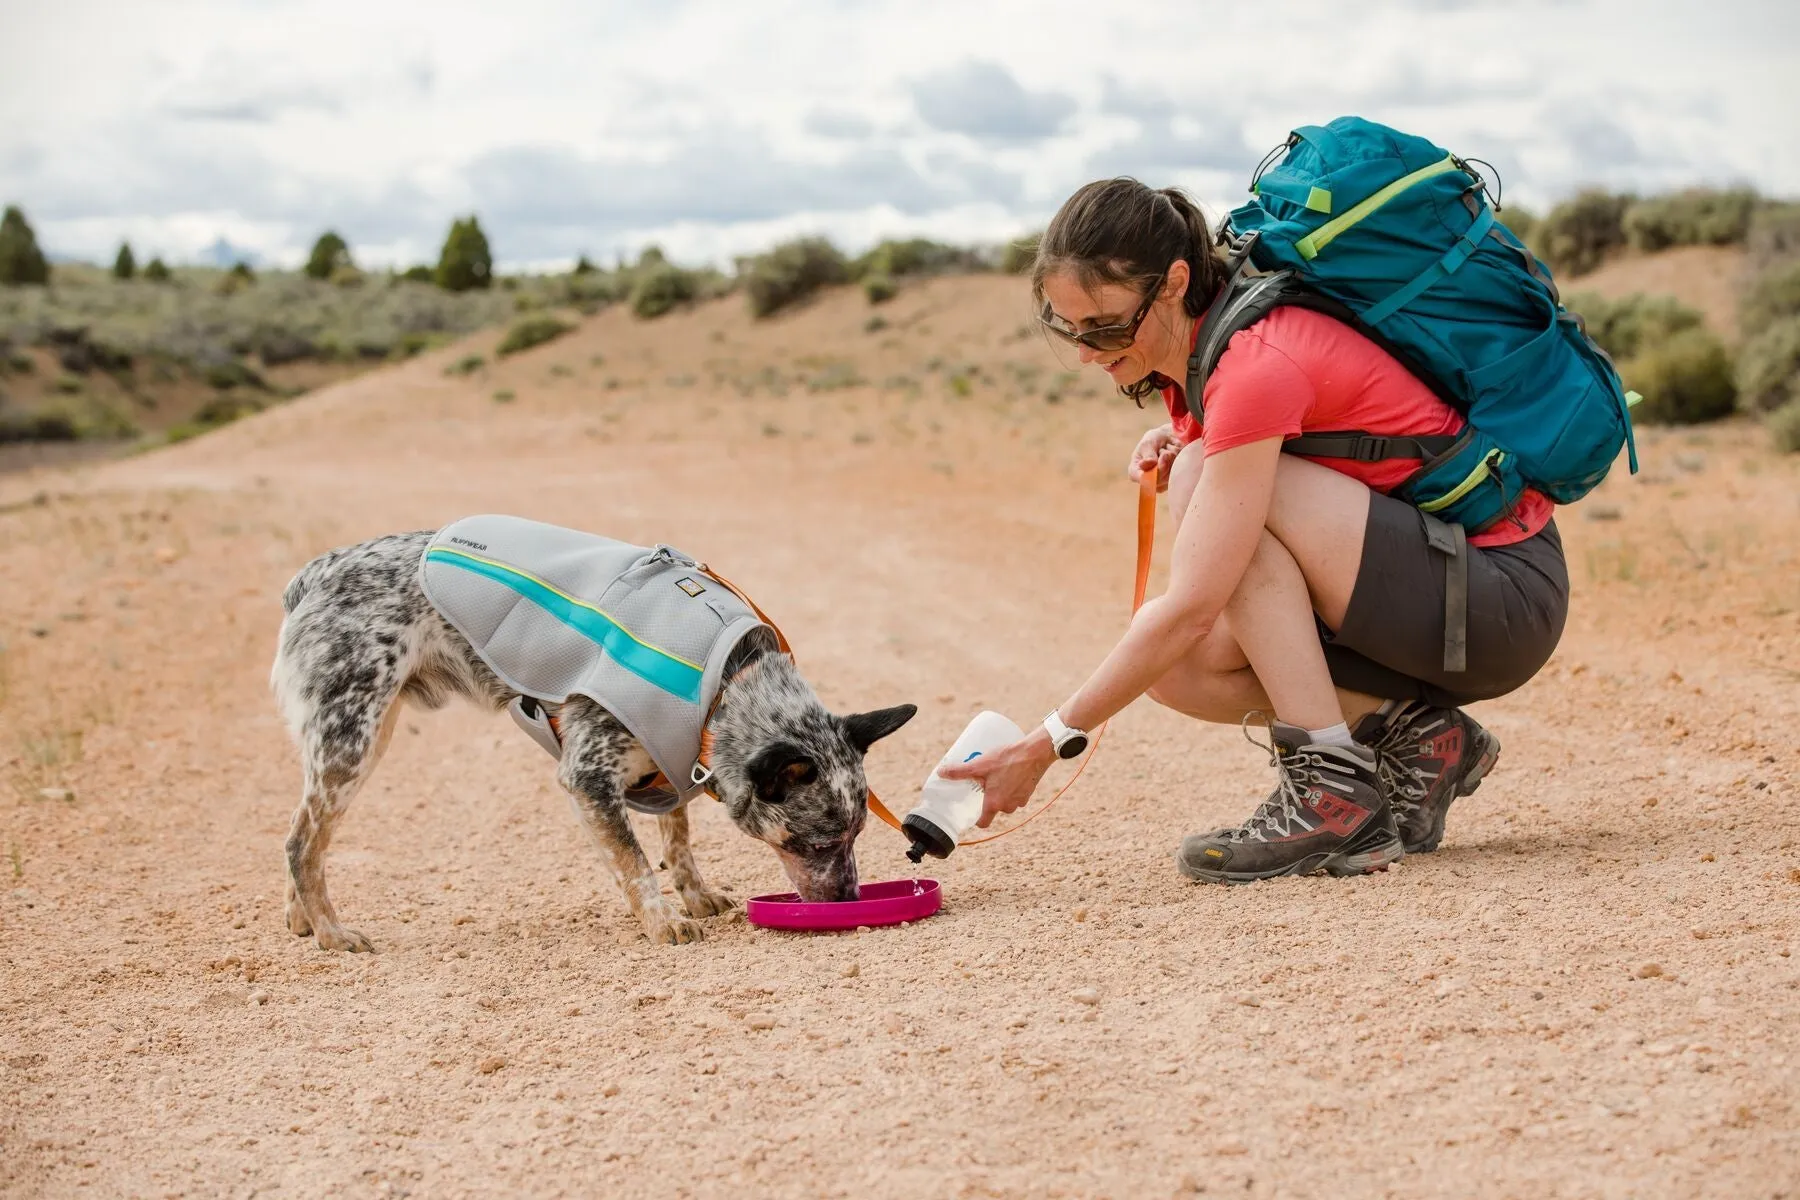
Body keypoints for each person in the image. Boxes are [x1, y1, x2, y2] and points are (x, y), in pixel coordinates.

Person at [941, 178, 1569, 881]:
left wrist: (1042, 745)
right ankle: (1422, 739)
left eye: (1106, 327)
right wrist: (1190, 438)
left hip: (1504, 596)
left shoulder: (1253, 359)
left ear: (1175, 282)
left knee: (1199, 493)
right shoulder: (1208, 353)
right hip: (1441, 587)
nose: (1088, 352)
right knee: (1182, 672)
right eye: (1070, 329)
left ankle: (1333, 796)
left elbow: (1192, 605)